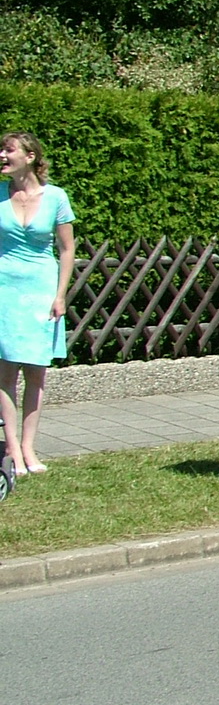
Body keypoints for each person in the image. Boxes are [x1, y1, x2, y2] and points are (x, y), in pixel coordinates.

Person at [0, 132, 76, 483]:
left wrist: (60, 294)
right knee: (5, 372)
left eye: (8, 150)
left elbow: (65, 249)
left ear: (30, 156)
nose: (2, 155)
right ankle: (12, 449)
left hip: (42, 289)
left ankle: (29, 447)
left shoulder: (56, 197)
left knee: (36, 371)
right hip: (5, 290)